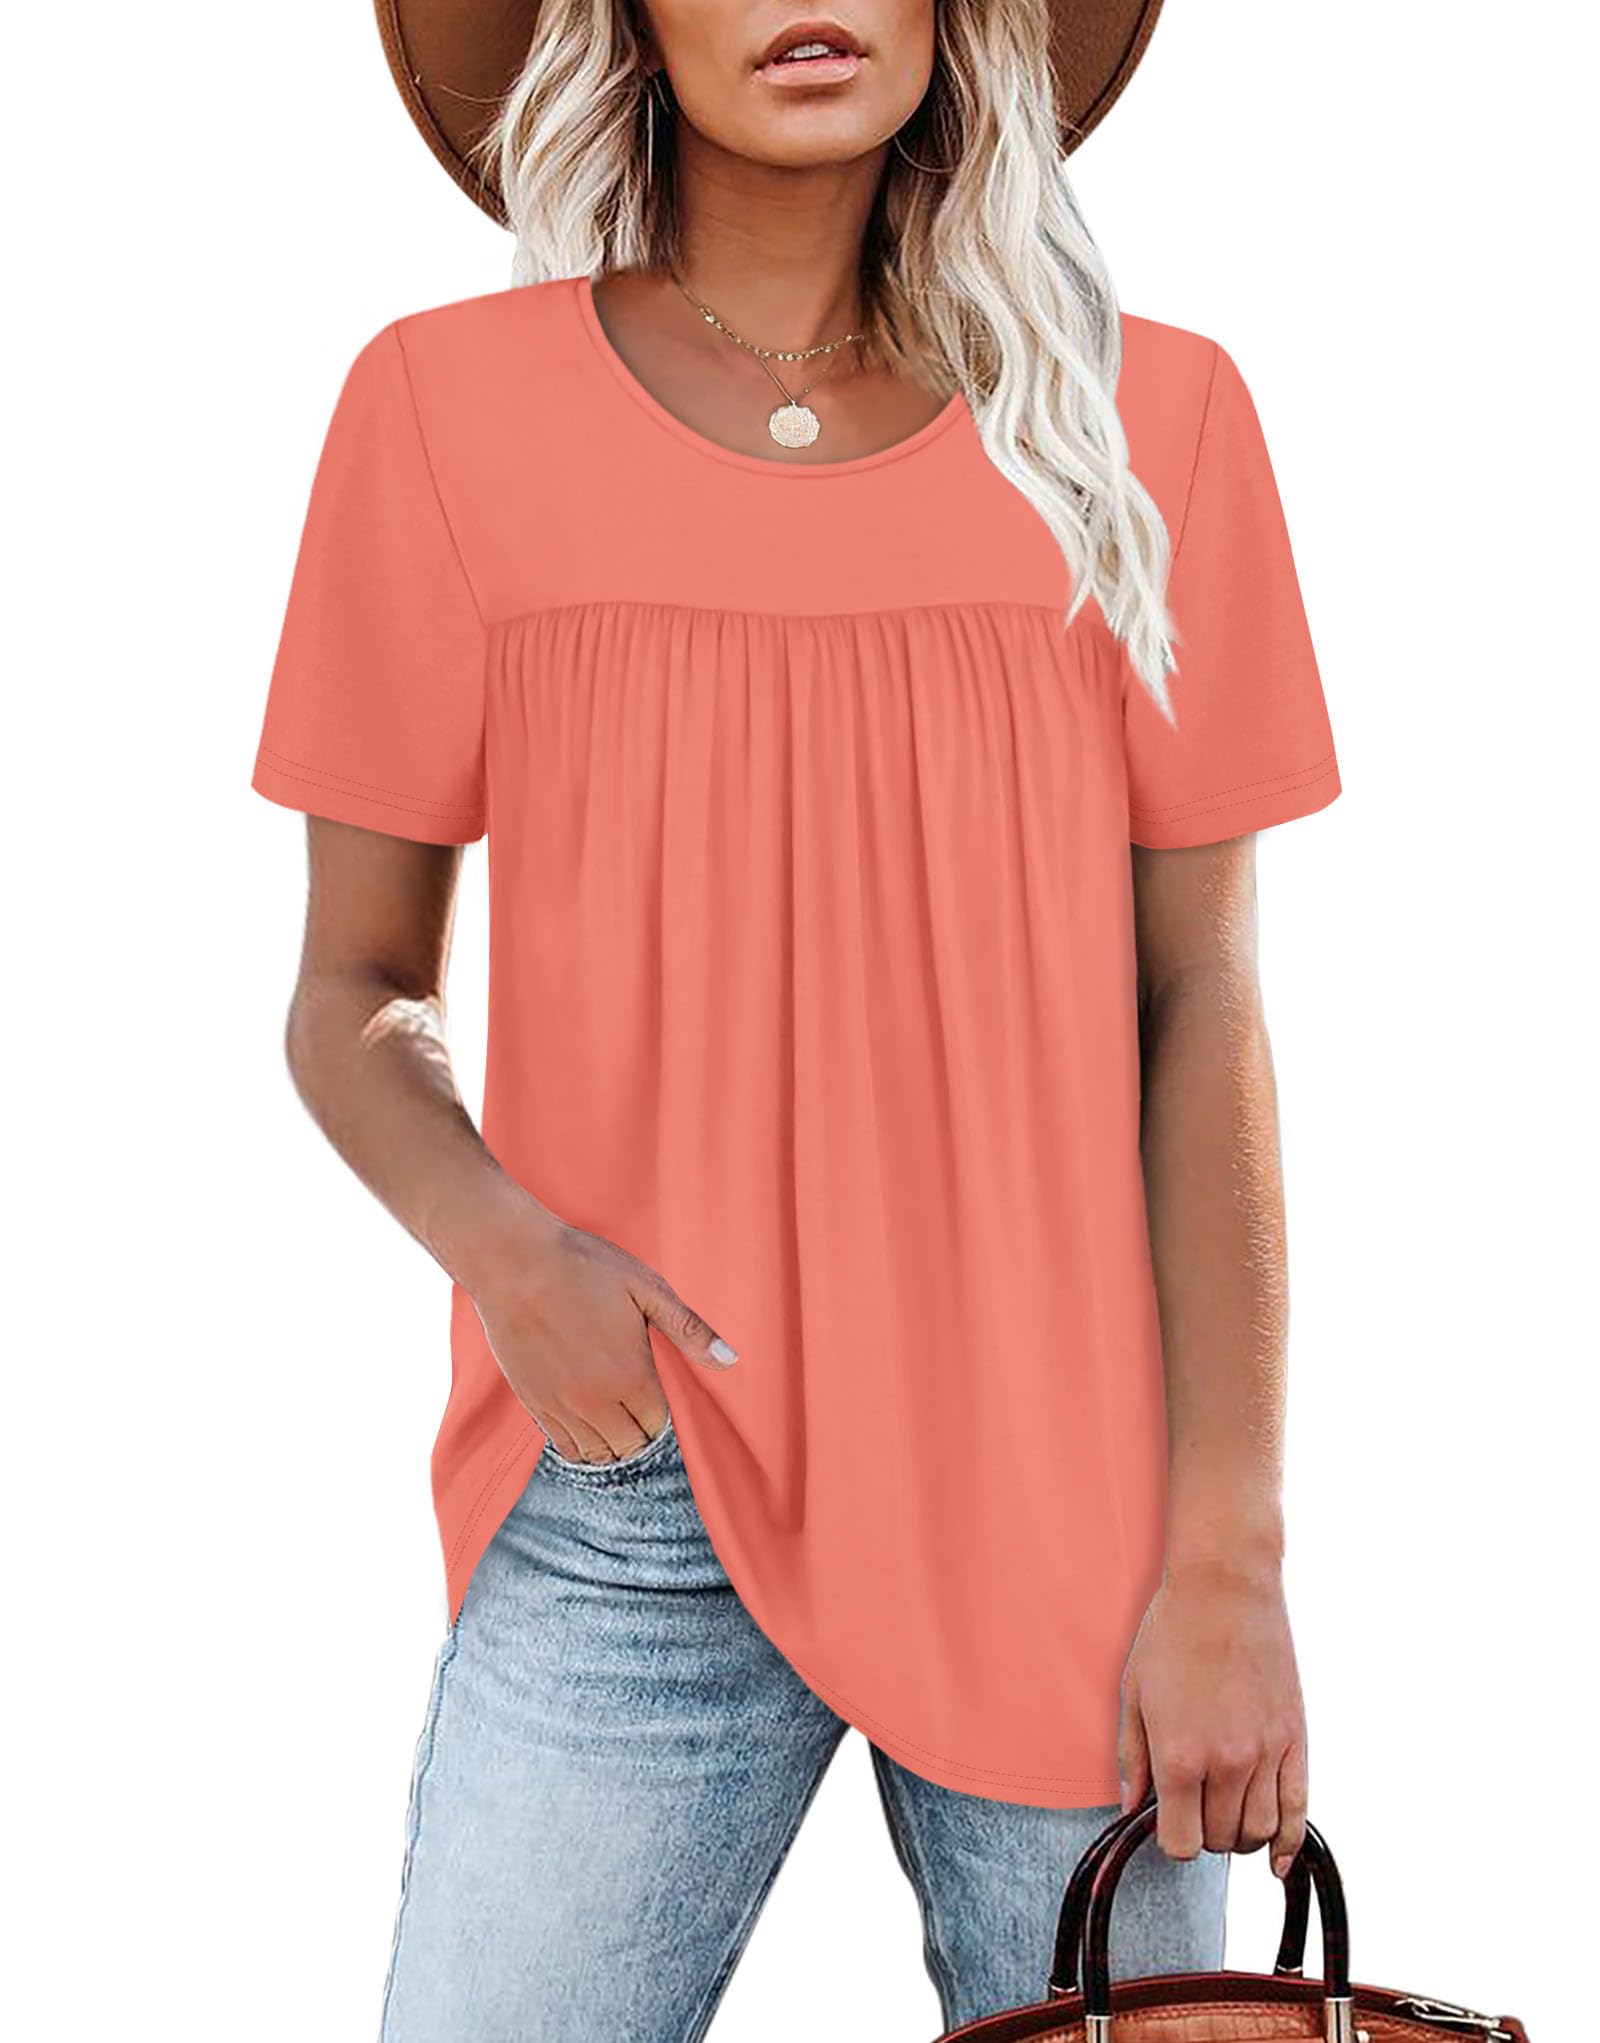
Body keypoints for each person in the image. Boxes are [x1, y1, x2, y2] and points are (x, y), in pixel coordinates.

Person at [249, 0, 1342, 2033]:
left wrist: (1229, 1560)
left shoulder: (1152, 421)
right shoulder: (439, 410)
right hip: (631, 1471)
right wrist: (511, 1257)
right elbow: (351, 989)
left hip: (1067, 1499)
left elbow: (1201, 1004)